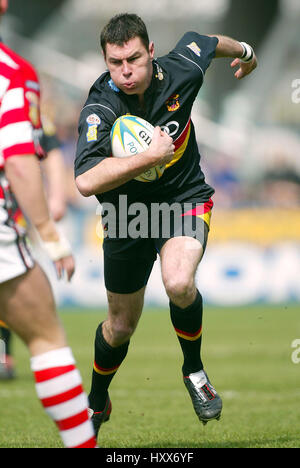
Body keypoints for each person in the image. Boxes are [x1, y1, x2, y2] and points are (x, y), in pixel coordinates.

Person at [75, 13, 257, 438]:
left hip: (184, 200)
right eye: (115, 62)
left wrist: (247, 53)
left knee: (178, 283)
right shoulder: (100, 105)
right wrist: (148, 157)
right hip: (126, 216)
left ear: (151, 52)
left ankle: (193, 370)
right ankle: (97, 399)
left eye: (134, 59)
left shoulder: (181, 66)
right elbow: (84, 181)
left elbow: (209, 41)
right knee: (119, 327)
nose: (125, 72)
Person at [0, 0, 97, 448]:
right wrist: (51, 234)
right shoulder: (13, 74)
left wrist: (55, 196)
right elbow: (21, 158)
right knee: (45, 335)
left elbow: (49, 144)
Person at [0, 120, 68, 380]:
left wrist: (57, 197)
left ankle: (3, 352)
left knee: (11, 278)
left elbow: (49, 147)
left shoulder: (26, 108)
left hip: (8, 207)